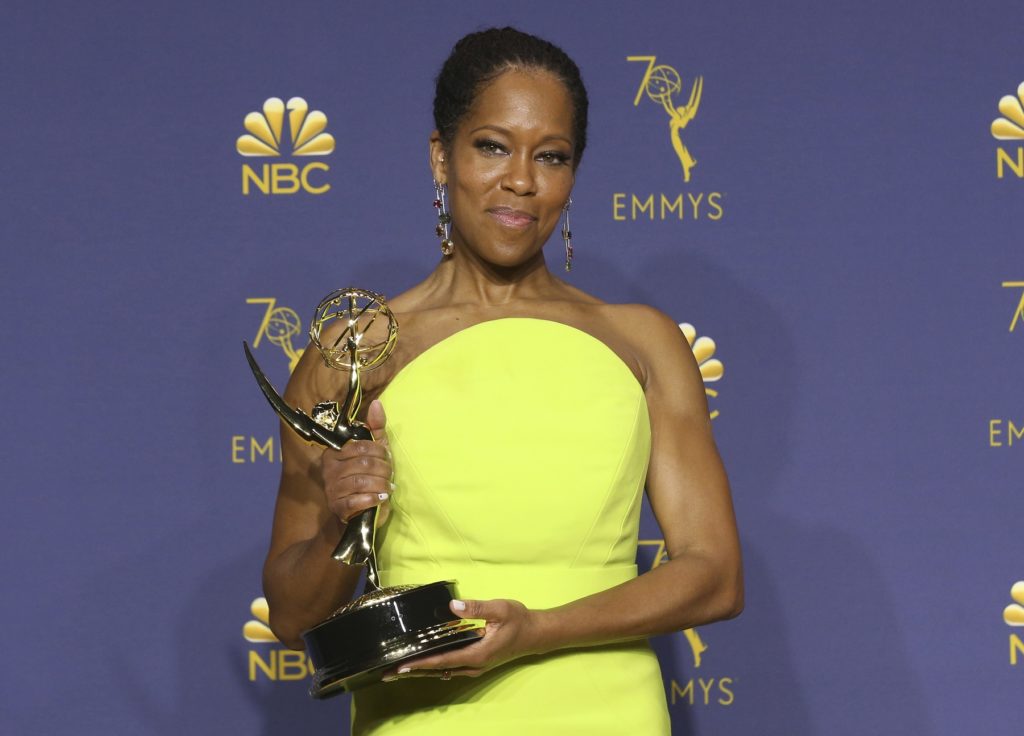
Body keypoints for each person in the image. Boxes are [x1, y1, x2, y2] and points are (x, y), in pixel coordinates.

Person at [262, 27, 742, 735]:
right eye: (493, 146)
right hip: (425, 718)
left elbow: (715, 574)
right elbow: (293, 616)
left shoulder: (641, 342)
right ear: (440, 156)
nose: (521, 179)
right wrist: (340, 518)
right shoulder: (354, 351)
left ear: (573, 175)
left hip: (606, 713)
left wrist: (536, 629)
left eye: (551, 156)